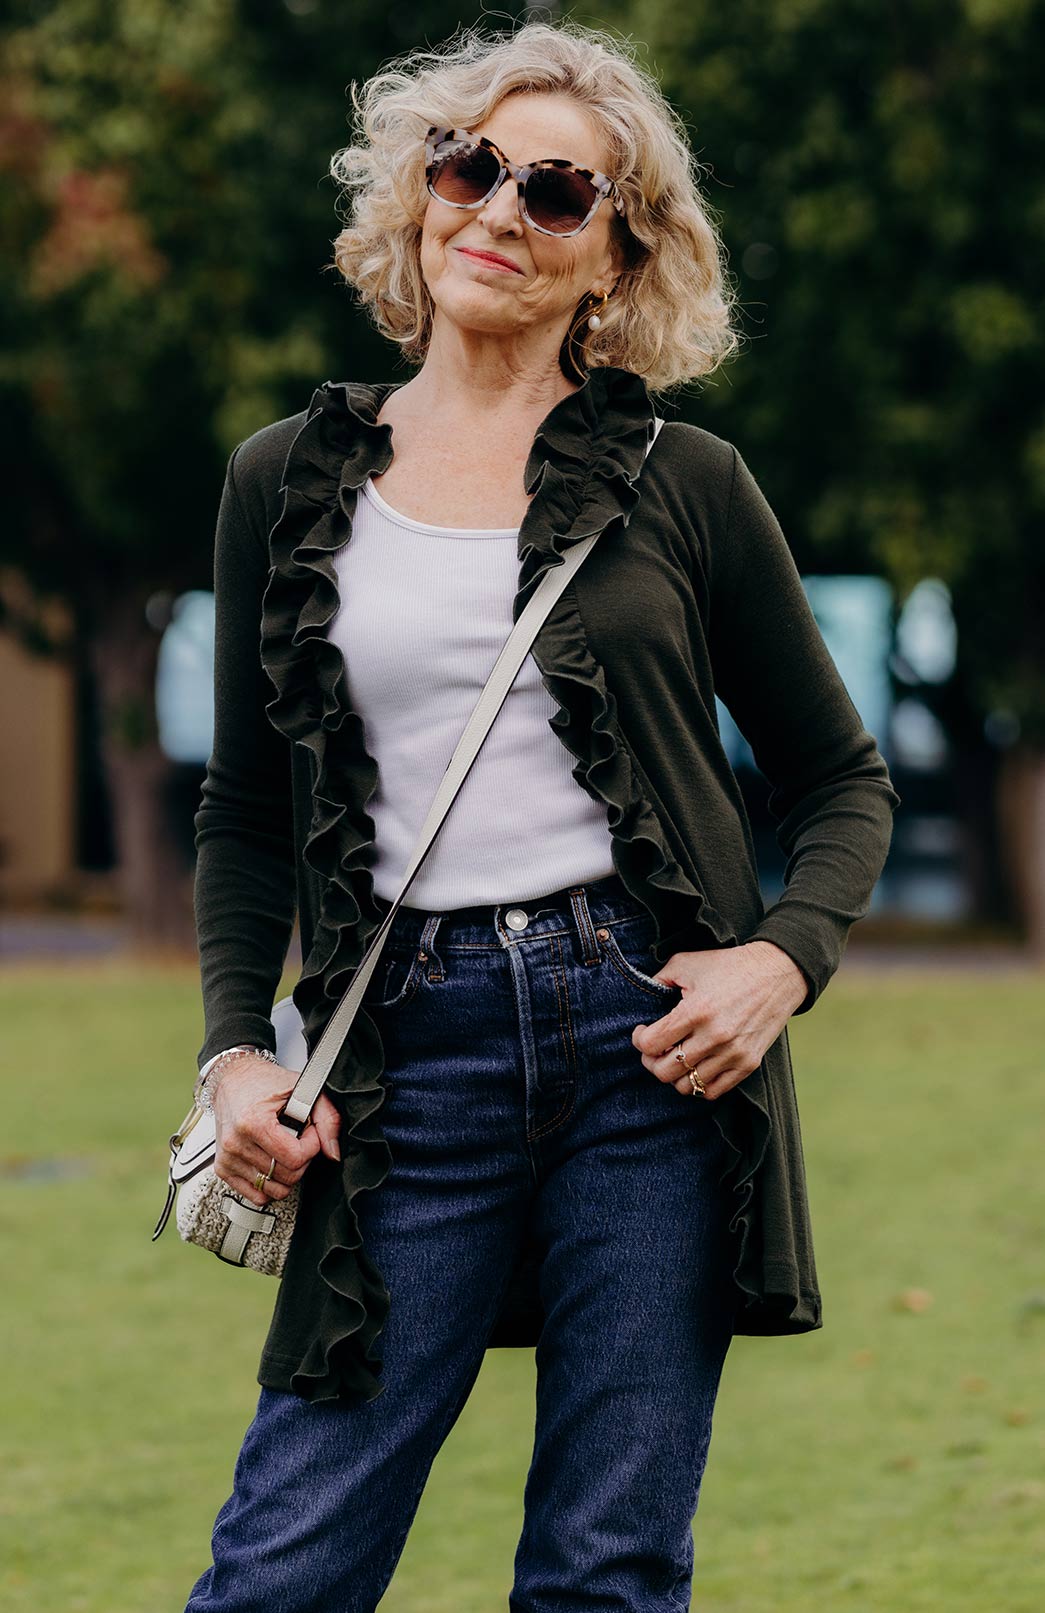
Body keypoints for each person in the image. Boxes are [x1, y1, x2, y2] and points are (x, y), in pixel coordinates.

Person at [183, 18, 900, 1612]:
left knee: (607, 1567)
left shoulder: (686, 482)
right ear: (417, 194)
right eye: (469, 165)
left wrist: (775, 961)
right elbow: (244, 812)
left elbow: (839, 780)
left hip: (643, 1047)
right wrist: (243, 1047)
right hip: (399, 1048)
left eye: (556, 192)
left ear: (616, 256)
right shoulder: (284, 478)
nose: (497, 209)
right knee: (282, 1564)